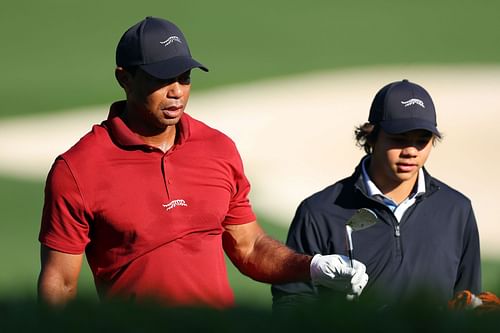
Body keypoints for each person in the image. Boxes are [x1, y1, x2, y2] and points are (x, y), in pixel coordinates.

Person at [37, 16, 369, 308]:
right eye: (161, 79)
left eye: (184, 77)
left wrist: (312, 266)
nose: (177, 91)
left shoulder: (217, 149)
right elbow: (60, 285)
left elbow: (248, 247)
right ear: (124, 78)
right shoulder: (79, 168)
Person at [272, 79, 481, 309]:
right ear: (371, 137)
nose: (411, 151)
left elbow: (467, 300)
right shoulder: (319, 212)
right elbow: (291, 302)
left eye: (422, 141)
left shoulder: (456, 210)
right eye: (399, 140)